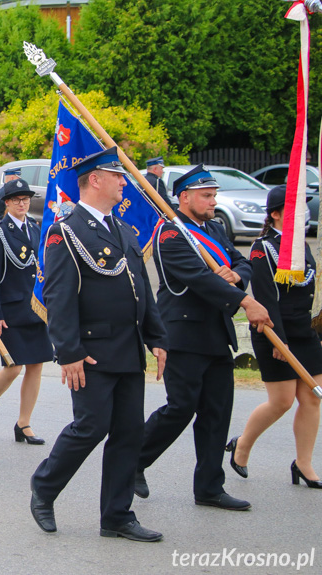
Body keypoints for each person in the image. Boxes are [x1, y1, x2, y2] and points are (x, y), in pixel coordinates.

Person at [29, 147, 168, 542]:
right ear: (95, 180)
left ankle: (117, 516)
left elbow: (142, 290)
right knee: (91, 426)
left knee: (128, 433)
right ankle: (45, 485)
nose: (125, 183)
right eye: (118, 176)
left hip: (128, 348)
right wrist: (68, 352)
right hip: (90, 350)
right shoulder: (66, 229)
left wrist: (157, 338)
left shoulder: (122, 230)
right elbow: (59, 296)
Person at [135, 164, 272, 511]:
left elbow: (243, 263)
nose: (213, 202)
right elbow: (197, 277)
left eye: (214, 195)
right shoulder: (170, 233)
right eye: (206, 196)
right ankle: (133, 460)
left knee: (217, 411)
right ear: (184, 198)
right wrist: (245, 300)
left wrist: (236, 277)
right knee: (181, 407)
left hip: (215, 333)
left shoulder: (213, 228)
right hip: (183, 332)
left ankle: (209, 486)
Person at [227, 184, 322, 489]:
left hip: (304, 333)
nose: (303, 214)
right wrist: (277, 341)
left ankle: (303, 464)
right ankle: (241, 446)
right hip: (273, 330)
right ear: (276, 214)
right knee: (281, 402)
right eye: (296, 209)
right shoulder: (263, 247)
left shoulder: (302, 246)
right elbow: (266, 297)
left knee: (311, 398)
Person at [0, 179, 52, 444]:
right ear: (7, 203)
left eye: (26, 199)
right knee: (13, 366)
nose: (22, 203)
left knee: (36, 366)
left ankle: (24, 423)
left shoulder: (35, 228)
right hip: (9, 312)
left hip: (34, 310)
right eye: (16, 200)